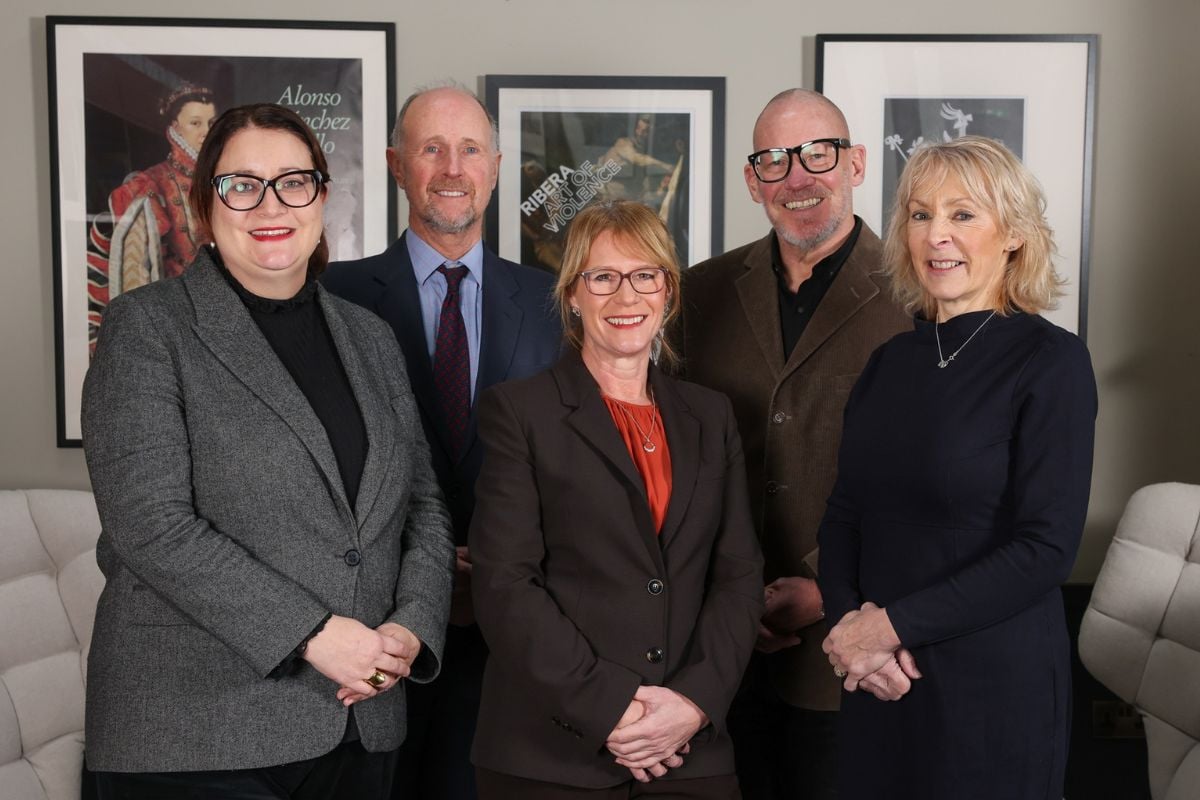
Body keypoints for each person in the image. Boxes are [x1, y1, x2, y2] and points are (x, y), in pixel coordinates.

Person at [81, 103, 456, 799]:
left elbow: (423, 508)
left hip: (360, 722)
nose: (270, 204)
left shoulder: (371, 339)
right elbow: (151, 526)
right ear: (205, 204)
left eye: (293, 181)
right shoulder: (148, 327)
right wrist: (314, 635)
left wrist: (411, 626)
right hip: (193, 737)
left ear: (321, 196)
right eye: (241, 185)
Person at [818, 135, 1097, 799]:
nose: (936, 235)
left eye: (963, 214)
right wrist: (849, 633)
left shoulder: (1051, 362)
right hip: (879, 681)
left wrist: (886, 628)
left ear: (1015, 236)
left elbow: (1046, 549)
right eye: (920, 215)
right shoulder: (889, 362)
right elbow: (845, 514)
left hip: (991, 689)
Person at [469, 200, 764, 798]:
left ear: (668, 291)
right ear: (573, 295)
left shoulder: (712, 416)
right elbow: (505, 583)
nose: (626, 296)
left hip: (689, 749)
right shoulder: (520, 412)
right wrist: (612, 709)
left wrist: (692, 703)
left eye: (644, 275)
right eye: (603, 277)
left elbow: (738, 576)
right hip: (551, 754)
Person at [322, 83, 562, 800]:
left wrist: (499, 561)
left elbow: (572, 462)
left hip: (512, 629)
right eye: (432, 149)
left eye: (470, 150)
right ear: (397, 165)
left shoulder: (554, 303)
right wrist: (420, 570)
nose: (453, 168)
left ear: (496, 166)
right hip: (371, 631)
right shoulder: (332, 296)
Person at [676, 88, 909, 797]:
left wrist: (826, 584)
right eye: (774, 160)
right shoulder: (699, 293)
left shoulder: (917, 298)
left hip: (852, 647)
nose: (797, 177)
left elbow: (923, 478)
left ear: (856, 164)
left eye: (818, 154)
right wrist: (730, 591)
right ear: (753, 182)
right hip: (713, 647)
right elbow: (672, 454)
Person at [87, 83, 217, 353]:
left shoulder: (231, 180)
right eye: (195, 123)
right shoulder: (149, 184)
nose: (206, 132)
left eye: (211, 123)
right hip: (173, 323)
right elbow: (136, 273)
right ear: (175, 127)